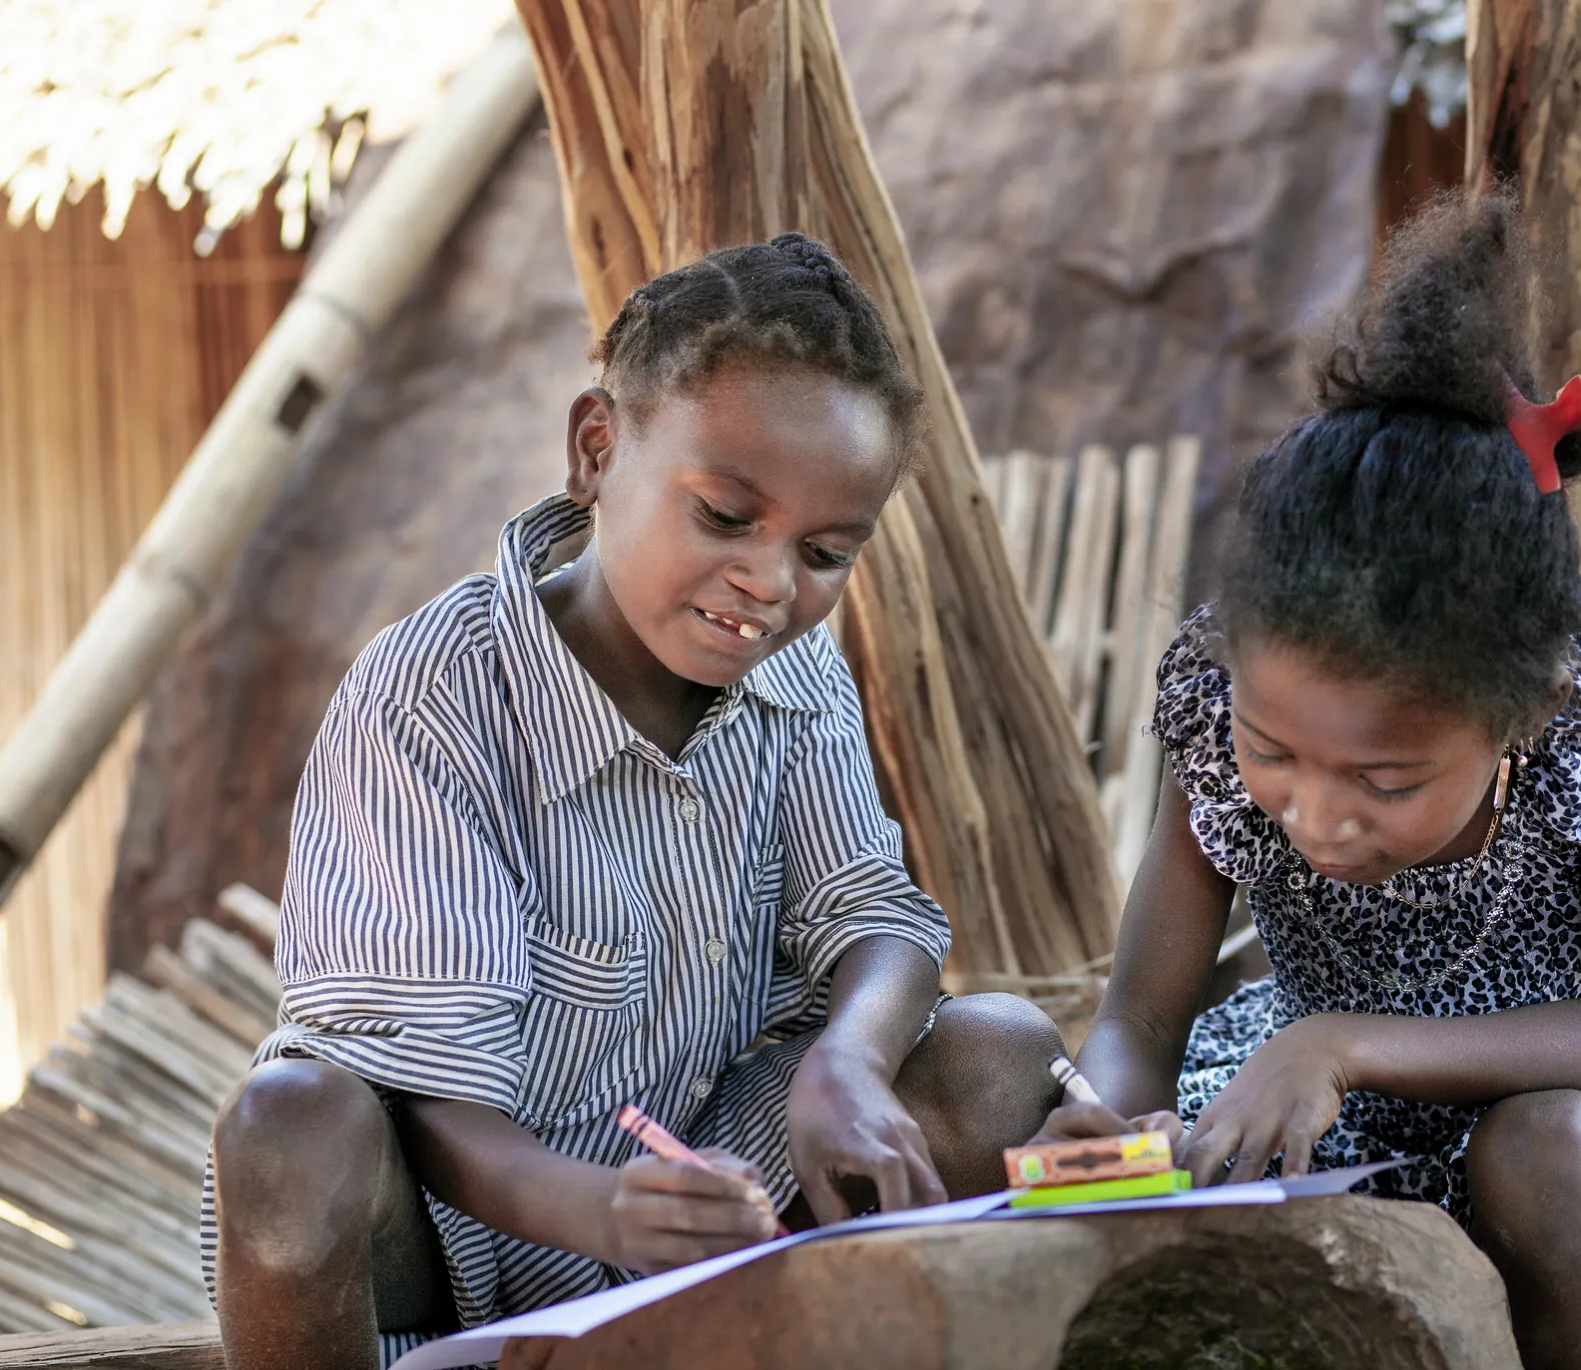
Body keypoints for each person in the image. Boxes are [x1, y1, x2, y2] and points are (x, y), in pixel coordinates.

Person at [204, 233, 1063, 1370]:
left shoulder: (791, 671)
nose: (768, 581)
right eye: (724, 515)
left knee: (999, 1053)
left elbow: (878, 919)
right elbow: (425, 1102)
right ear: (597, 448)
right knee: (287, 1130)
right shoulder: (433, 695)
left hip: (697, 1205)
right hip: (451, 1233)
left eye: (822, 549)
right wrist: (606, 1210)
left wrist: (846, 1061)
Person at [1039, 193, 1581, 1370]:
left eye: (1387, 777)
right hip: (1333, 1121)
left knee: (1537, 1152)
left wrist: (1345, 1042)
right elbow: (1142, 1017)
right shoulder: (1213, 698)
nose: (1313, 813)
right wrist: (1110, 1111)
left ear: (1524, 714)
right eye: (1275, 753)